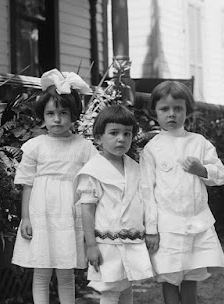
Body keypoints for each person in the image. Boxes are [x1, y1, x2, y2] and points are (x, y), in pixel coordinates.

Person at [11, 69, 98, 304]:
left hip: (69, 213)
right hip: (42, 212)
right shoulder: (35, 146)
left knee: (66, 272)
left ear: (74, 115)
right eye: (50, 113)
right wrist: (26, 218)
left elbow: (91, 183)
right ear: (43, 116)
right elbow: (27, 184)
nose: (57, 119)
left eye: (63, 113)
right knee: (41, 272)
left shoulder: (83, 147)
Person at [140, 81, 224, 304]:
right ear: (155, 112)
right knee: (169, 276)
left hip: (196, 222)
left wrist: (202, 170)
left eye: (178, 108)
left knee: (191, 273)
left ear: (187, 110)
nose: (172, 114)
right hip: (166, 226)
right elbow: (146, 191)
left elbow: (222, 175)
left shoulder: (198, 142)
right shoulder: (152, 148)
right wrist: (151, 229)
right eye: (165, 109)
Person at [76, 105, 159, 304]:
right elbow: (87, 210)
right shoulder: (93, 171)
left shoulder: (135, 168)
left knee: (126, 286)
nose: (121, 139)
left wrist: (150, 229)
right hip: (107, 242)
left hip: (131, 239)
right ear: (98, 138)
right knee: (110, 289)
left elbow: (145, 200)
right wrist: (91, 245)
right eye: (114, 133)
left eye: (127, 134)